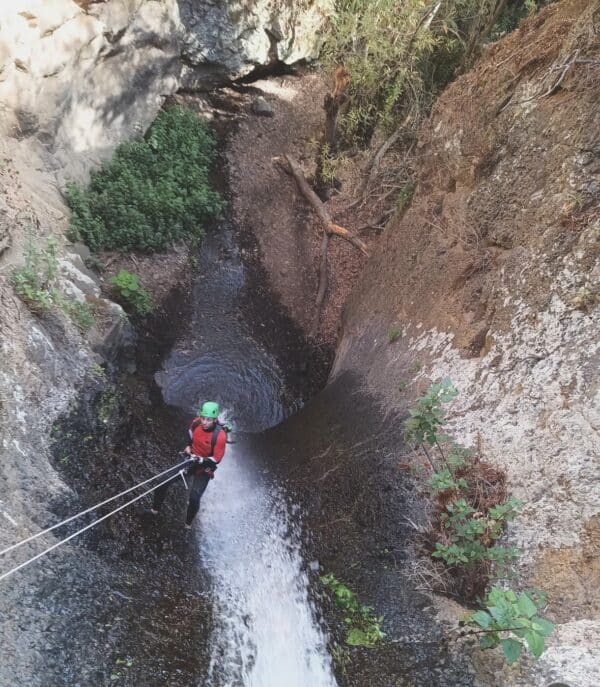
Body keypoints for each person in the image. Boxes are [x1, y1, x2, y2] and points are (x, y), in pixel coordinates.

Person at [150, 401, 227, 529]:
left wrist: (202, 460)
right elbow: (191, 435)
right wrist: (188, 446)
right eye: (203, 418)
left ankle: (188, 525)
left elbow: (217, 459)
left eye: (209, 419)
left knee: (194, 498)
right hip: (190, 460)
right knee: (162, 482)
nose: (205, 422)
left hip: (204, 468)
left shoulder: (220, 436)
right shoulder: (196, 422)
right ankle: (154, 511)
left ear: (215, 420)